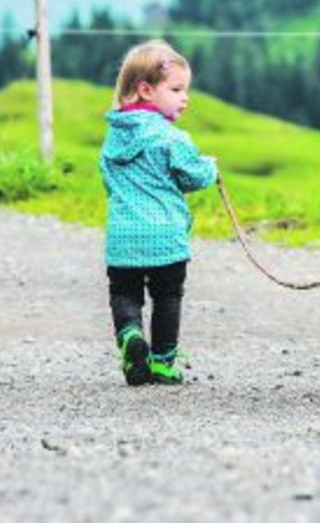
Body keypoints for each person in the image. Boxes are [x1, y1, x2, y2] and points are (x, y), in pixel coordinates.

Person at [99, 39, 217, 386]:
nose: (186, 97)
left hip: (123, 237)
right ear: (145, 90)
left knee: (124, 294)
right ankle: (163, 362)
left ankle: (131, 335)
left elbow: (109, 181)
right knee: (167, 297)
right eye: (177, 89)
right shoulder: (171, 137)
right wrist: (210, 168)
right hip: (165, 237)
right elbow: (192, 175)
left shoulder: (113, 138)